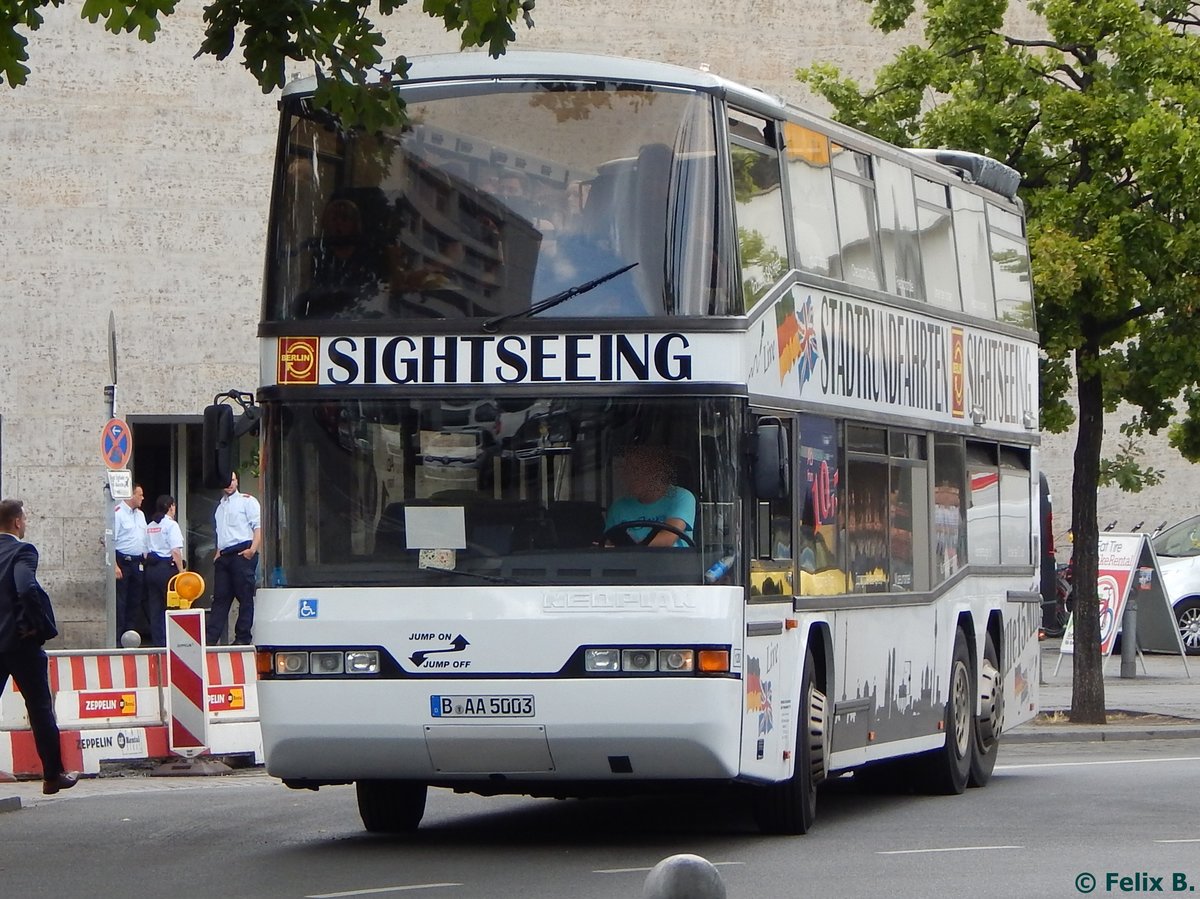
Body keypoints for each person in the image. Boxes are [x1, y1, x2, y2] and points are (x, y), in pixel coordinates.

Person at [0, 499, 78, 795]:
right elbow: (25, 587)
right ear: (17, 522)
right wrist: (38, 624)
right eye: (25, 518)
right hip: (20, 643)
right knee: (39, 708)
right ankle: (52, 775)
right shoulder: (23, 551)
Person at [603, 445, 696, 547]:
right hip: (627, 557)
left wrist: (630, 547)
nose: (630, 477)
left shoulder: (682, 497)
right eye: (626, 471)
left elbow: (668, 538)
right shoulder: (618, 507)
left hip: (671, 557)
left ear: (656, 471)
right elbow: (608, 544)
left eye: (636, 470)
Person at [209, 471, 261, 646]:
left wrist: (252, 549)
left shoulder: (247, 501)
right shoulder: (219, 507)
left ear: (237, 481)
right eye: (227, 481)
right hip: (224, 555)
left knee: (244, 597)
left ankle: (243, 637)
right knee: (220, 598)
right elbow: (221, 533)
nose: (230, 484)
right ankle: (210, 639)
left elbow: (258, 527)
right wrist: (218, 554)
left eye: (232, 480)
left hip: (242, 552)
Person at [144, 495, 184, 647]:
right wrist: (181, 572)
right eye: (174, 506)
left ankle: (158, 643)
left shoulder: (150, 526)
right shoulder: (171, 525)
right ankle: (173, 643)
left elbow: (145, 553)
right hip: (167, 569)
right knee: (173, 606)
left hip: (151, 570)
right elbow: (175, 551)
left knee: (155, 608)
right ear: (170, 506)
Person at [113, 483, 148, 644]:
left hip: (137, 562)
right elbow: (110, 540)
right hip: (123, 562)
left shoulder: (140, 515)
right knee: (121, 603)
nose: (143, 498)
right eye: (140, 495)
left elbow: (144, 539)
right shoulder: (118, 513)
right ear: (131, 495)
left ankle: (130, 639)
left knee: (135, 601)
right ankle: (118, 640)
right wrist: (115, 565)